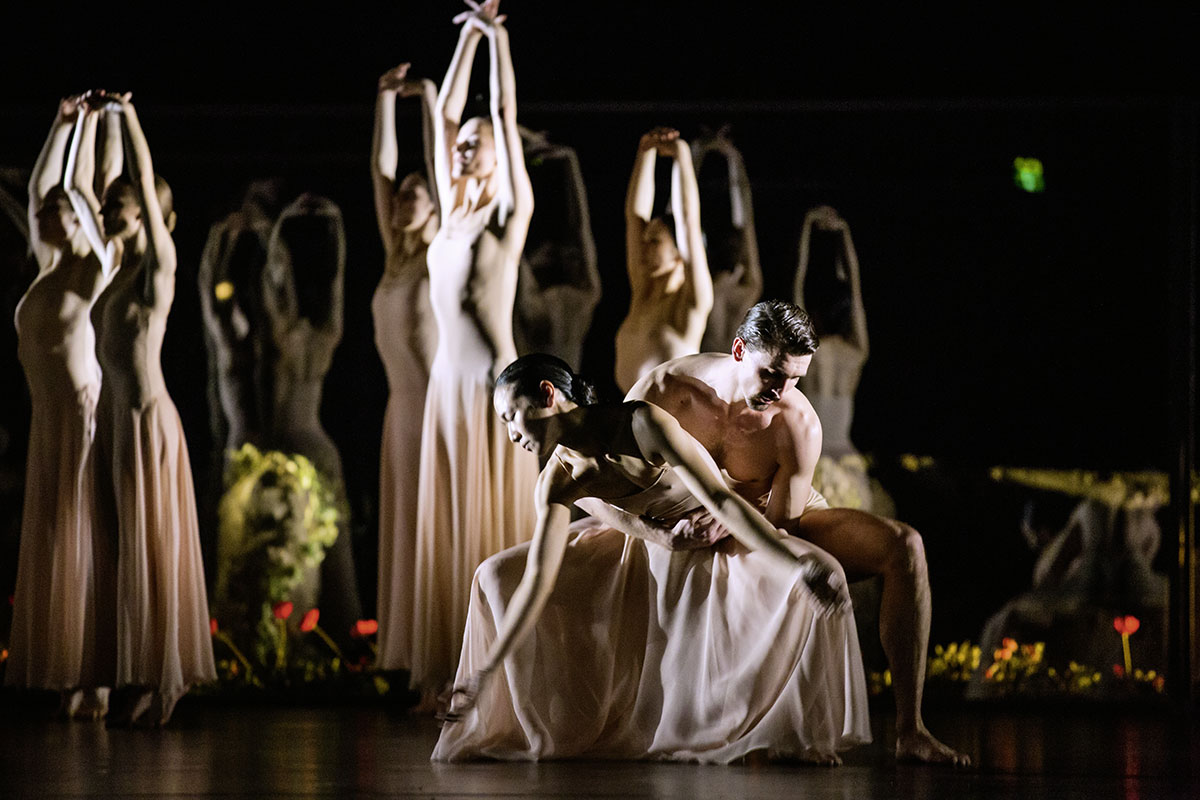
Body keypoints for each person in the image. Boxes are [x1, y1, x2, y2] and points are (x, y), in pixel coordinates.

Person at [433, 353, 867, 764]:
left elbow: (721, 500)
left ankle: (795, 732)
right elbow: (537, 582)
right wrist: (484, 672)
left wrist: (792, 563)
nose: (510, 433)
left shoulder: (641, 422)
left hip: (718, 529)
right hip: (654, 547)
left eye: (511, 415)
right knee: (496, 576)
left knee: (815, 572)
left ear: (548, 394)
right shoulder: (555, 482)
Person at [627, 300, 970, 765]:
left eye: (794, 378)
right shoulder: (668, 388)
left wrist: (727, 520)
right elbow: (606, 464)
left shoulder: (797, 420)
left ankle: (911, 729)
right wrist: (656, 525)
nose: (781, 390)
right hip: (689, 516)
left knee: (905, 546)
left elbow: (781, 527)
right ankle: (748, 725)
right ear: (739, 349)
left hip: (776, 514)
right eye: (771, 374)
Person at [66, 95, 215, 726]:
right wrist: (91, 124)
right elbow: (88, 189)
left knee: (151, 547)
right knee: (117, 547)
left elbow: (147, 204)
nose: (111, 206)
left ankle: (165, 678)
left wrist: (128, 120)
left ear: (154, 212)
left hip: (145, 420)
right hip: (110, 425)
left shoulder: (160, 266)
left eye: (125, 200)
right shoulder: (111, 268)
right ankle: (114, 675)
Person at [409, 0, 539, 700]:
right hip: (443, 383)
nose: (463, 147)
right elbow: (442, 116)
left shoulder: (506, 213)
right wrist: (463, 44)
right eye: (461, 143)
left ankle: (499, 671)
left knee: (491, 525)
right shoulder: (451, 213)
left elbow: (504, 113)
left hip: (494, 382)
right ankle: (446, 669)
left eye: (476, 143)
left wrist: (497, 42)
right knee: (451, 530)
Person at [5, 94, 119, 719]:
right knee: (50, 538)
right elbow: (42, 187)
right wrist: (62, 119)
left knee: (82, 540)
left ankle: (92, 676)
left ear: (80, 219)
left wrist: (95, 129)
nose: (46, 211)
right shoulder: (46, 267)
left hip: (80, 418)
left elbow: (71, 188)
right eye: (45, 211)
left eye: (60, 210)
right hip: (45, 424)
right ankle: (61, 667)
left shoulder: (91, 268)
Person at [260, 192, 362, 641]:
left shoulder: (294, 333)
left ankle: (325, 640)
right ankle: (296, 643)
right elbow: (333, 276)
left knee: (318, 550)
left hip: (302, 448)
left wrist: (281, 222)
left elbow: (277, 277)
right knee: (295, 552)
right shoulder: (318, 332)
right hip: (306, 446)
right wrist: (333, 220)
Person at [371, 62, 441, 672]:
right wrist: (383, 100)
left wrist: (427, 102)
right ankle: (416, 662)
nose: (401, 199)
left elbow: (433, 170)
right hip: (400, 409)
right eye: (400, 196)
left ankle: (439, 661)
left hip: (432, 406)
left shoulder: (439, 256)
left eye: (414, 195)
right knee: (404, 537)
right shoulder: (395, 257)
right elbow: (381, 171)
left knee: (430, 531)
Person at [793, 205, 887, 513]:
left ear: (815, 315)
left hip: (816, 456)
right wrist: (843, 235)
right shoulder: (856, 353)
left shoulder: (810, 352)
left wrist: (807, 229)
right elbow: (856, 293)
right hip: (846, 458)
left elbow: (799, 285)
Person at [614, 127, 713, 393]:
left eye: (655, 241)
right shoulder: (643, 293)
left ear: (679, 251)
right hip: (631, 417)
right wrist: (645, 153)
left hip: (672, 426)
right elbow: (634, 217)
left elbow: (688, 221)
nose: (643, 246)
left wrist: (682, 156)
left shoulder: (691, 303)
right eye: (645, 239)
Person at [513, 127, 600, 369]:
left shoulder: (547, 302)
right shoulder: (582, 297)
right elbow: (581, 229)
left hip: (544, 384)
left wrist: (569, 162)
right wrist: (569, 163)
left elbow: (581, 231)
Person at [690, 128, 763, 355]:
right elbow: (745, 225)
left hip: (716, 374)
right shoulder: (748, 288)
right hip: (721, 375)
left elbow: (686, 220)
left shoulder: (703, 290)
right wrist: (733, 160)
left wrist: (696, 153)